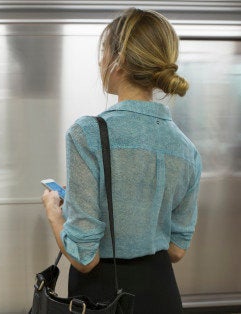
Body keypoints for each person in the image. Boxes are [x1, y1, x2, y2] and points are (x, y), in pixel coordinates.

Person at [41, 8, 201, 313]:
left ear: (118, 62)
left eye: (103, 51)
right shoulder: (187, 149)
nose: (100, 61)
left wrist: (54, 213)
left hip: (103, 298)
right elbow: (177, 250)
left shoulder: (86, 134)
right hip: (162, 295)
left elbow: (85, 259)